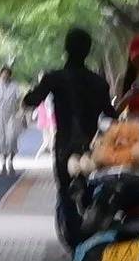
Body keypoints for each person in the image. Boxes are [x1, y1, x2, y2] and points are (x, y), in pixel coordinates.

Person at [25, 28, 115, 243]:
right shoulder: (98, 82)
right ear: (89, 51)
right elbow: (111, 113)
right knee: (94, 188)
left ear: (66, 49)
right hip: (91, 146)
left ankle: (73, 239)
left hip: (64, 145)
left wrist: (29, 93)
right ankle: (92, 232)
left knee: (65, 192)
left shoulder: (54, 79)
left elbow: (32, 100)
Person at [0, 62, 25, 175]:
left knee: (11, 138)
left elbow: (21, 97)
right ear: (0, 74)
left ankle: (11, 161)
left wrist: (20, 110)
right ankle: (3, 164)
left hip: (11, 115)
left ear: (10, 75)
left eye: (7, 74)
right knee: (1, 140)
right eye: (3, 74)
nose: (5, 76)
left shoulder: (14, 86)